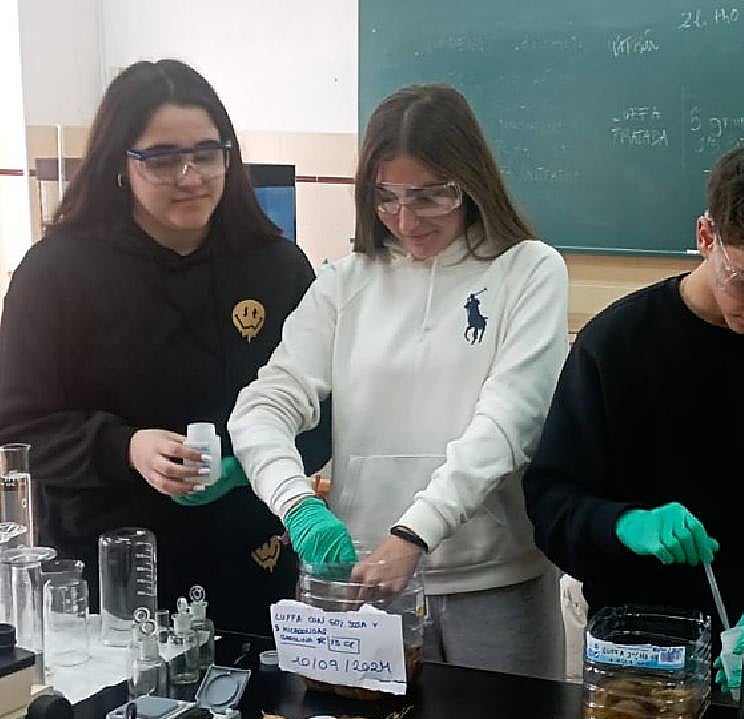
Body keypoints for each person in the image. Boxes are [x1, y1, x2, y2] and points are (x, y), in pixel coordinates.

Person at [228, 84, 569, 680]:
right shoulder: (344, 282)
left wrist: (415, 533)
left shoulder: (528, 270)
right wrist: (297, 504)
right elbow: (260, 409)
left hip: (492, 583)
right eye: (387, 198)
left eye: (430, 197)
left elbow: (509, 422)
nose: (407, 220)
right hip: (364, 586)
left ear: (470, 182)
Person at [0, 60, 330, 633]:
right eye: (162, 157)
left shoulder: (277, 267)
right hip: (109, 586)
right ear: (120, 165)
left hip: (252, 567)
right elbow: (17, 427)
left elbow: (328, 414)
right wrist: (124, 448)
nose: (190, 174)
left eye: (207, 153)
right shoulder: (55, 272)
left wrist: (251, 462)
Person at [522, 139, 744, 661]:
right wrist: (623, 524)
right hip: (638, 653)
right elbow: (553, 503)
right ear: (707, 235)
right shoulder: (616, 345)